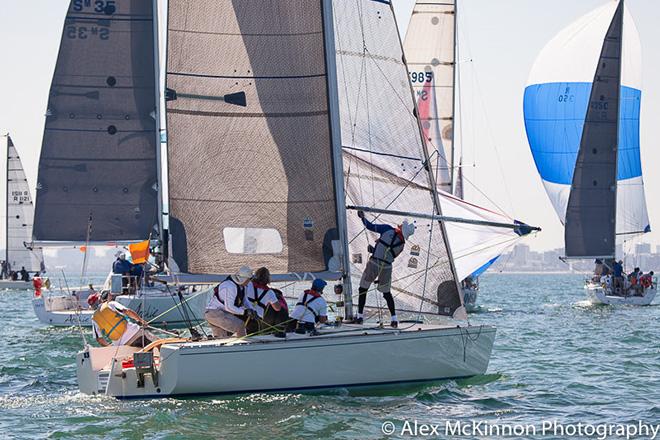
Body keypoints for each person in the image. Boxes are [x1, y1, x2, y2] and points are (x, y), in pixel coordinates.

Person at [352, 210, 415, 328]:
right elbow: (389, 254)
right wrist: (375, 249)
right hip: (386, 267)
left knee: (363, 289)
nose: (400, 224)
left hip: (374, 263)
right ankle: (394, 319)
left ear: (401, 228)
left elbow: (369, 226)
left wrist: (362, 217)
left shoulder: (387, 228)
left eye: (402, 225)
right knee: (386, 293)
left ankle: (360, 316)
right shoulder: (402, 245)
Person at [88, 291, 156, 347]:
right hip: (135, 334)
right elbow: (127, 311)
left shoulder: (94, 319)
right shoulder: (110, 304)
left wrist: (109, 346)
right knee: (159, 344)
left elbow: (99, 339)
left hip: (122, 345)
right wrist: (141, 320)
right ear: (100, 299)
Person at [205, 266, 257, 338]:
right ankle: (244, 345)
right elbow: (229, 307)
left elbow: (245, 300)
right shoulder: (229, 286)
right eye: (249, 279)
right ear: (243, 279)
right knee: (240, 325)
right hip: (214, 313)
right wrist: (245, 312)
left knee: (222, 338)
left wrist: (252, 310)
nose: (250, 281)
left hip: (221, 313)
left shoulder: (243, 286)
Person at [247, 267, 288, 336]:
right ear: (268, 279)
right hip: (256, 319)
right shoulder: (269, 292)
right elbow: (277, 308)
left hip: (245, 314)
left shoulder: (248, 284)